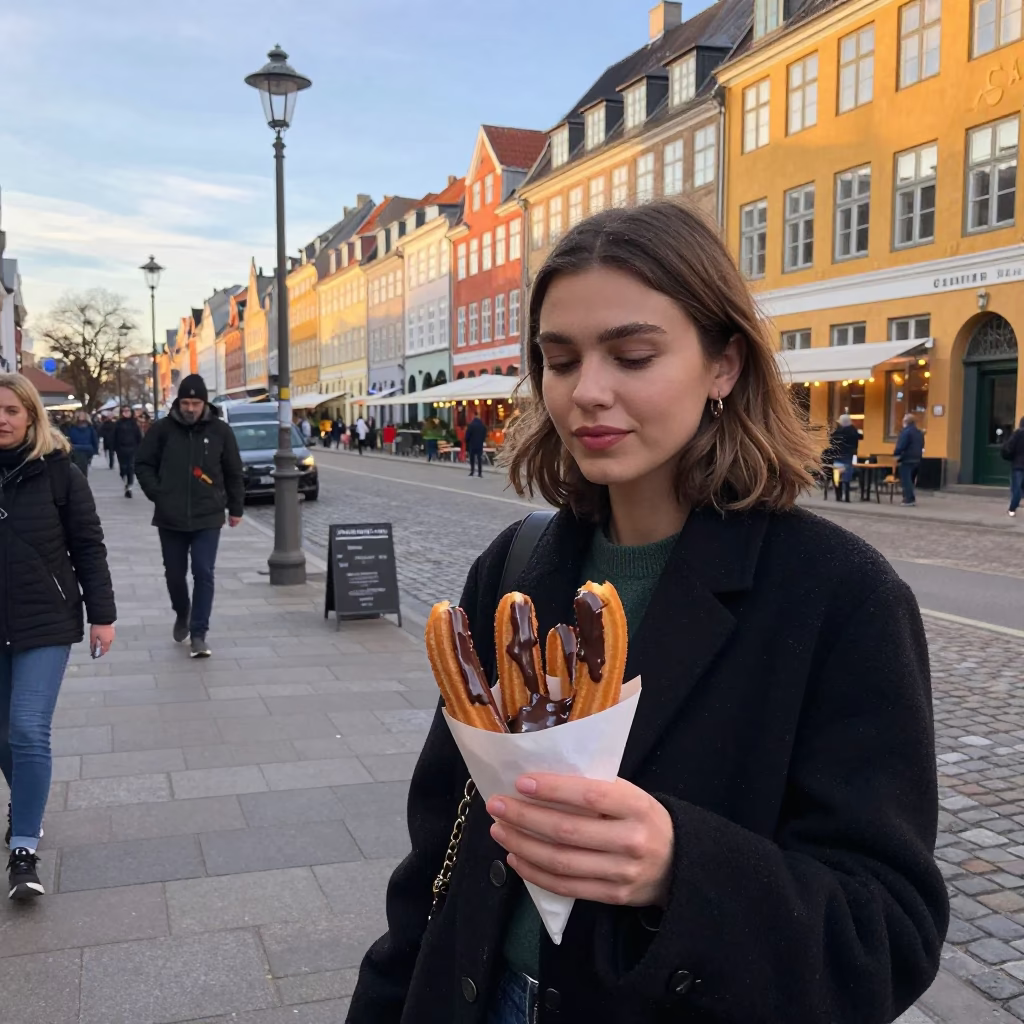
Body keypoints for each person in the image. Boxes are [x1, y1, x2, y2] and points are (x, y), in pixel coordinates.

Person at [346, 203, 946, 1024]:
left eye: (632, 355)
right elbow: (435, 860)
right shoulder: (517, 569)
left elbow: (889, 936)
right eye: (559, 361)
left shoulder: (841, 598)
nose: (588, 392)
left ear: (724, 364)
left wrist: (679, 867)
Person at [0, 372, 116, 900]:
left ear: (30, 416)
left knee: (27, 729)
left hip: (45, 619)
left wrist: (103, 615)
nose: (2, 420)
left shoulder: (58, 471)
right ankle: (23, 800)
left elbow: (88, 546)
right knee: (5, 736)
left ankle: (23, 848)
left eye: (11, 411)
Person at [135, 374, 244, 659]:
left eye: (196, 402)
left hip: (208, 515)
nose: (191, 408)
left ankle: (199, 633)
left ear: (204, 402)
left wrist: (236, 508)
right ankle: (182, 612)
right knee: (174, 574)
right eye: (186, 402)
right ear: (178, 402)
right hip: (170, 516)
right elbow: (143, 463)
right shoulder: (162, 430)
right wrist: (157, 493)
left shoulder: (221, 431)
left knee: (203, 572)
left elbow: (233, 471)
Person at [893, 413, 925, 507]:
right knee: (910, 479)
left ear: (905, 422)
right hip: (917, 458)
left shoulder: (906, 432)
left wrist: (896, 454)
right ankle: (909, 497)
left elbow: (901, 445)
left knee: (906, 480)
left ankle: (909, 498)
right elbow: (922, 445)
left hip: (907, 458)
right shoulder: (919, 433)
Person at [827, 413, 860, 502]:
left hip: (838, 457)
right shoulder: (854, 431)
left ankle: (838, 496)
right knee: (847, 478)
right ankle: (847, 497)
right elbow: (856, 444)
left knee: (837, 478)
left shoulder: (837, 431)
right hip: (848, 457)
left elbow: (831, 443)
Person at [112, 406, 143, 499]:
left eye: (128, 411)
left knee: (131, 467)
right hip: (121, 449)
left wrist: (140, 448)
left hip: (132, 449)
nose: (126, 412)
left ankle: (129, 486)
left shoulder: (134, 424)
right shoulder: (118, 424)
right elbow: (114, 436)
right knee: (123, 468)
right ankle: (125, 481)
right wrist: (115, 448)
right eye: (124, 411)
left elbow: (139, 437)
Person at [66, 410, 99, 478]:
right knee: (78, 471)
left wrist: (95, 450)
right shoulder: (72, 427)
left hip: (85, 451)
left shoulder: (90, 428)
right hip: (76, 451)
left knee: (81, 470)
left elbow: (94, 439)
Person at [1002, 415, 1024, 518]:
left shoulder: (1017, 434)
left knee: (1016, 489)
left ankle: (1012, 509)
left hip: (1018, 465)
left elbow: (1009, 448)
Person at [465, 412, 486, 478]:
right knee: (479, 459)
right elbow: (484, 435)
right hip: (480, 444)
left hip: (472, 444)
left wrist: (467, 442)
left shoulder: (471, 425)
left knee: (472, 458)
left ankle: (472, 471)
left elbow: (467, 436)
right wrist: (482, 440)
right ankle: (480, 473)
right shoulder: (482, 426)